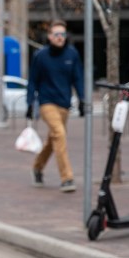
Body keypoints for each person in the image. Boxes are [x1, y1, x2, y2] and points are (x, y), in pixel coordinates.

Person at [26, 19, 84, 193]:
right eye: (57, 34)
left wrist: (82, 99)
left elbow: (78, 78)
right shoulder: (41, 56)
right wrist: (30, 103)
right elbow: (33, 81)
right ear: (49, 36)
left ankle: (37, 167)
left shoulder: (72, 54)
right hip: (47, 103)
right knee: (59, 134)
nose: (60, 37)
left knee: (54, 140)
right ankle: (67, 178)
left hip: (64, 104)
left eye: (63, 34)